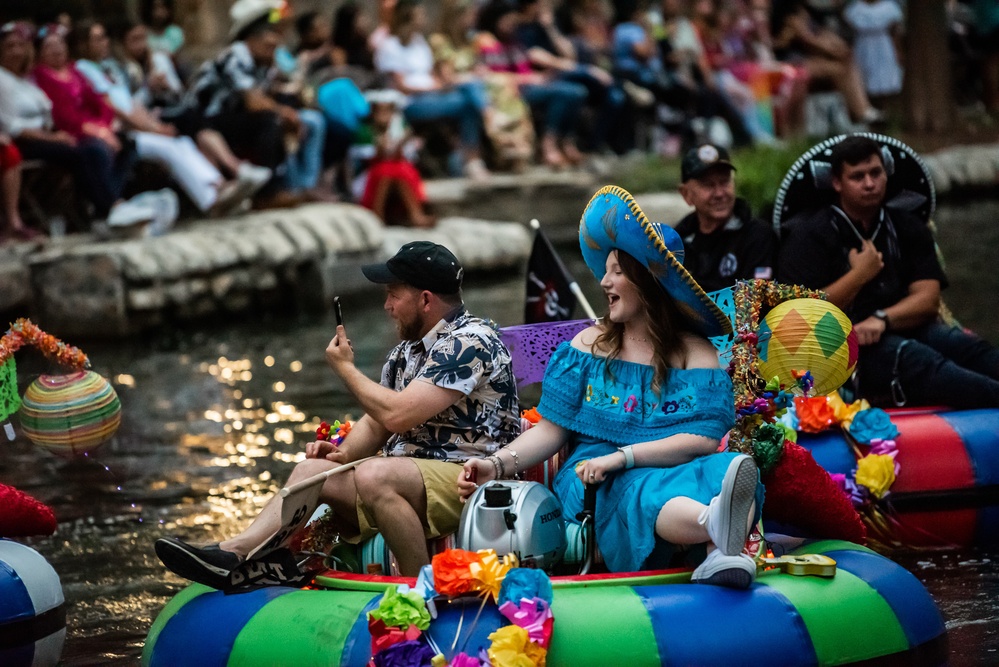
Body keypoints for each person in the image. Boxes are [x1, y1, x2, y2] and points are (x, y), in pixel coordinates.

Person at [157, 242, 521, 584]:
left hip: (471, 480)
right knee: (311, 472)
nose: (387, 306)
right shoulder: (406, 353)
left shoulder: (470, 342)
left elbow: (397, 416)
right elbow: (378, 423)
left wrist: (345, 369)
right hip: (411, 475)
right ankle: (238, 554)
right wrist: (342, 455)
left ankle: (420, 589)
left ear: (425, 300)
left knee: (377, 474)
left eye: (393, 294)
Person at [458, 187, 764, 588]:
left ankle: (717, 555)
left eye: (617, 271)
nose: (604, 281)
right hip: (593, 477)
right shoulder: (584, 347)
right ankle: (714, 528)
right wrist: (495, 464)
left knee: (728, 468)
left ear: (650, 281)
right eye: (606, 271)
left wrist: (627, 455)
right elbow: (551, 431)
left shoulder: (697, 352)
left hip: (665, 465)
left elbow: (703, 440)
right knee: (639, 484)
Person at [777, 135, 999, 409]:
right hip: (844, 345)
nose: (869, 183)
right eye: (857, 177)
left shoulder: (908, 225)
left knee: (966, 346)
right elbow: (803, 315)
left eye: (875, 173)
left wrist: (883, 319)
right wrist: (860, 274)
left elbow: (928, 299)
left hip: (901, 324)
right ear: (837, 182)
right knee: (916, 357)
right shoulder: (806, 235)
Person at [374, 0, 491, 179]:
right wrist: (433, 88)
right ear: (408, 16)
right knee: (467, 103)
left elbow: (432, 74)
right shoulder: (390, 46)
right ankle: (473, 158)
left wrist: (441, 85)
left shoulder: (420, 42)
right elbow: (402, 86)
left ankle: (473, 155)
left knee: (469, 89)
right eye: (420, 14)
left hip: (434, 96)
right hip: (410, 103)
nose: (425, 18)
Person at [674, 143, 777, 292]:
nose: (719, 193)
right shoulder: (677, 241)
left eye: (724, 182)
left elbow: (755, 301)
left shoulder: (757, 235)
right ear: (686, 194)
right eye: (708, 185)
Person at [842, 0, 904, 104]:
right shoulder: (855, 8)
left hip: (884, 45)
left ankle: (886, 109)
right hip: (862, 45)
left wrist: (897, 49)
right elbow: (848, 31)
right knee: (863, 78)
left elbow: (895, 32)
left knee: (886, 77)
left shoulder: (889, 6)